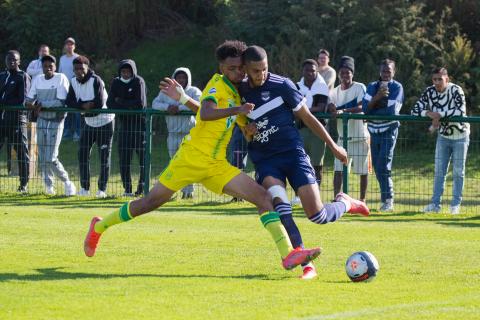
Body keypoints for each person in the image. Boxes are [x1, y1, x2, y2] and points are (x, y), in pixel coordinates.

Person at [84, 41, 321, 273]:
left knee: (264, 198)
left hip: (217, 165)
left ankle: (287, 254)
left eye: (239, 68)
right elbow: (207, 113)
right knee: (150, 203)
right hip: (191, 159)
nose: (237, 72)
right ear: (221, 69)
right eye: (231, 69)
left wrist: (247, 129)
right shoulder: (217, 84)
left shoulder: (239, 94)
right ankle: (100, 226)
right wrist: (235, 111)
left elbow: (233, 120)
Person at [239, 46, 369, 279]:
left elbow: (308, 117)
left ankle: (346, 203)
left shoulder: (282, 85)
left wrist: (333, 146)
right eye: (256, 71)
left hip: (293, 155)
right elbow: (239, 124)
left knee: (317, 215)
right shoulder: (239, 91)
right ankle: (307, 266)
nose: (261, 74)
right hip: (267, 161)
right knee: (281, 207)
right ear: (246, 69)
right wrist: (247, 132)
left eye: (265, 69)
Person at [411, 67, 469, 214]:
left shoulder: (457, 90)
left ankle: (455, 205)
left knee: (458, 172)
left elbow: (460, 111)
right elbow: (415, 110)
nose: (437, 82)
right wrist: (431, 114)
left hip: (460, 136)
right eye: (434, 79)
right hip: (443, 137)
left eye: (440, 79)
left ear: (447, 79)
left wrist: (439, 115)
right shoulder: (429, 91)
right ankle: (435, 204)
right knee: (439, 172)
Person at [25, 55, 76, 196]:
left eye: (50, 66)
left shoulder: (61, 78)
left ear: (55, 66)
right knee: (42, 156)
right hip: (41, 120)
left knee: (51, 157)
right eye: (45, 66)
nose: (48, 68)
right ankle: (49, 186)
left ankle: (67, 182)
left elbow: (60, 102)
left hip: (56, 120)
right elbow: (29, 100)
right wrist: (33, 104)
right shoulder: (38, 80)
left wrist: (40, 105)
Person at [66, 55, 114, 198]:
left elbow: (99, 103)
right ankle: (85, 188)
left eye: (82, 68)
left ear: (87, 68)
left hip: (105, 122)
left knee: (104, 157)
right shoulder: (73, 81)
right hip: (88, 123)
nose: (79, 71)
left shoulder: (96, 80)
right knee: (82, 154)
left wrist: (87, 105)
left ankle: (102, 190)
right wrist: (84, 105)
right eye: (76, 69)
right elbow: (69, 101)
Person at [152, 67, 201, 199]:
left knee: (187, 163)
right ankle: (172, 191)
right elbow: (155, 103)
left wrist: (178, 108)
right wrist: (167, 107)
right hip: (172, 133)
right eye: (178, 77)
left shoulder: (194, 91)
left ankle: (188, 191)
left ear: (188, 79)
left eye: (183, 78)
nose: (181, 80)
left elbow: (199, 104)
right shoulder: (166, 91)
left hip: (189, 133)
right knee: (174, 164)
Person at [362, 59, 404, 211]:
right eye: (383, 71)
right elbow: (365, 109)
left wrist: (374, 107)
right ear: (380, 72)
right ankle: (386, 199)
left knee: (383, 166)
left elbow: (392, 112)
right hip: (373, 130)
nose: (386, 74)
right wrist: (378, 98)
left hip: (389, 130)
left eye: (389, 71)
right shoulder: (372, 86)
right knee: (377, 167)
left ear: (394, 72)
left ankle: (388, 200)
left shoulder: (397, 87)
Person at [329, 56, 370, 203]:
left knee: (363, 171)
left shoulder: (360, 87)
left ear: (352, 73)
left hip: (360, 137)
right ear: (339, 74)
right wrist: (331, 108)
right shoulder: (334, 92)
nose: (345, 75)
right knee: (338, 170)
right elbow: (331, 107)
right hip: (342, 139)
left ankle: (362, 200)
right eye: (342, 72)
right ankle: (337, 198)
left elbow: (362, 107)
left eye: (348, 72)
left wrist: (343, 111)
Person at [107, 59, 147, 197]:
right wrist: (126, 104)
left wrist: (121, 101)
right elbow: (110, 103)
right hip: (123, 127)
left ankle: (142, 188)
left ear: (133, 71)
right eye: (123, 71)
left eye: (128, 71)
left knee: (143, 160)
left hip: (140, 127)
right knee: (124, 160)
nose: (125, 74)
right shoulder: (116, 83)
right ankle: (128, 190)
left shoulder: (138, 81)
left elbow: (140, 104)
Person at [0, 50, 31, 193]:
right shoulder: (2, 76)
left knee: (21, 152)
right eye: (9, 60)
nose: (11, 62)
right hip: (2, 120)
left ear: (19, 61)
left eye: (14, 60)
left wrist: (4, 102)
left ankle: (23, 185)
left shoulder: (22, 77)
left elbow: (22, 100)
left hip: (17, 121)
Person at [59, 37, 81, 141]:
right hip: (64, 88)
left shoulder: (78, 58)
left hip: (76, 87)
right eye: (67, 44)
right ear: (65, 46)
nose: (69, 46)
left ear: (74, 46)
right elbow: (59, 72)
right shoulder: (62, 59)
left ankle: (77, 133)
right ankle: (66, 132)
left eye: (71, 44)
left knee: (77, 111)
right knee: (66, 111)